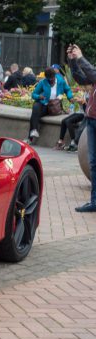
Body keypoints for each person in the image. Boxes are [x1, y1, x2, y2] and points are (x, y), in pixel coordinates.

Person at [67, 43, 96, 212]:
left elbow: (93, 74)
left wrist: (80, 57)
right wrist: (72, 61)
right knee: (93, 163)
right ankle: (94, 202)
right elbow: (81, 78)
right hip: (92, 121)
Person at [28, 67, 73, 143]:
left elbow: (68, 90)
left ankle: (30, 138)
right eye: (48, 79)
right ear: (46, 77)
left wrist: (70, 97)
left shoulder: (61, 81)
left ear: (54, 75)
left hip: (55, 106)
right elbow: (33, 94)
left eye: (52, 78)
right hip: (45, 105)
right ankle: (34, 131)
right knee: (35, 107)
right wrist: (39, 97)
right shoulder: (43, 82)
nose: (50, 80)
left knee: (34, 115)